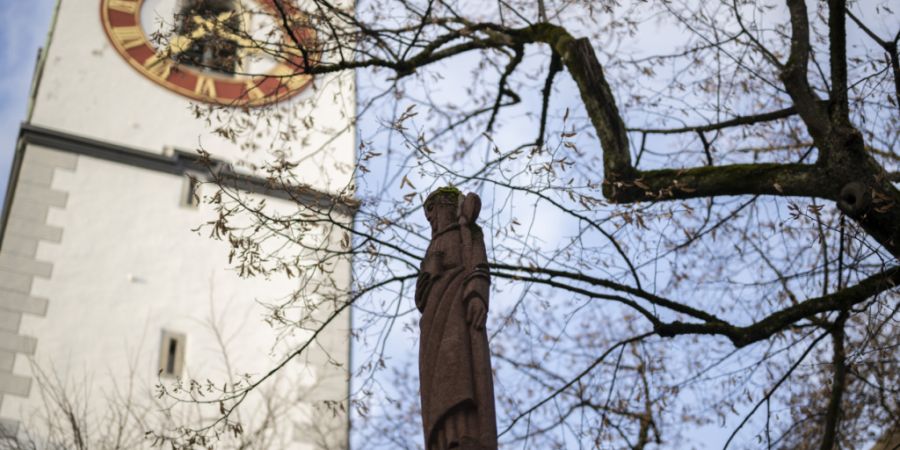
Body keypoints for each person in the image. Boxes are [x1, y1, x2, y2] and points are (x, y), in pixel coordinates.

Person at [416, 187, 497, 450]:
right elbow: (420, 297)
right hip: (433, 322)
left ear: (449, 207)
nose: (433, 220)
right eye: (429, 217)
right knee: (438, 383)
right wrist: (429, 272)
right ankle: (442, 439)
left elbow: (478, 265)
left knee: (462, 373)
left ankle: (467, 434)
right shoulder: (431, 248)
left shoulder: (468, 232)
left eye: (435, 211)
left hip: (457, 312)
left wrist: (476, 296)